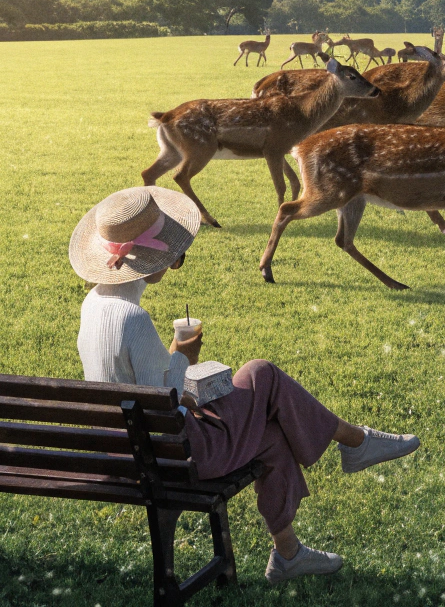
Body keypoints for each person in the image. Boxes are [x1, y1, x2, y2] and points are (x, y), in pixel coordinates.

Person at [70, 187, 420, 584]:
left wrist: (179, 376)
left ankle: (289, 554)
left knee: (271, 434)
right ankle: (355, 442)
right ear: (154, 259)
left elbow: (137, 391)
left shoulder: (94, 306)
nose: (174, 259)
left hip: (131, 452)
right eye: (172, 252)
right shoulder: (132, 318)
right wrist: (185, 355)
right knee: (261, 373)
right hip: (174, 459)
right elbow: (168, 408)